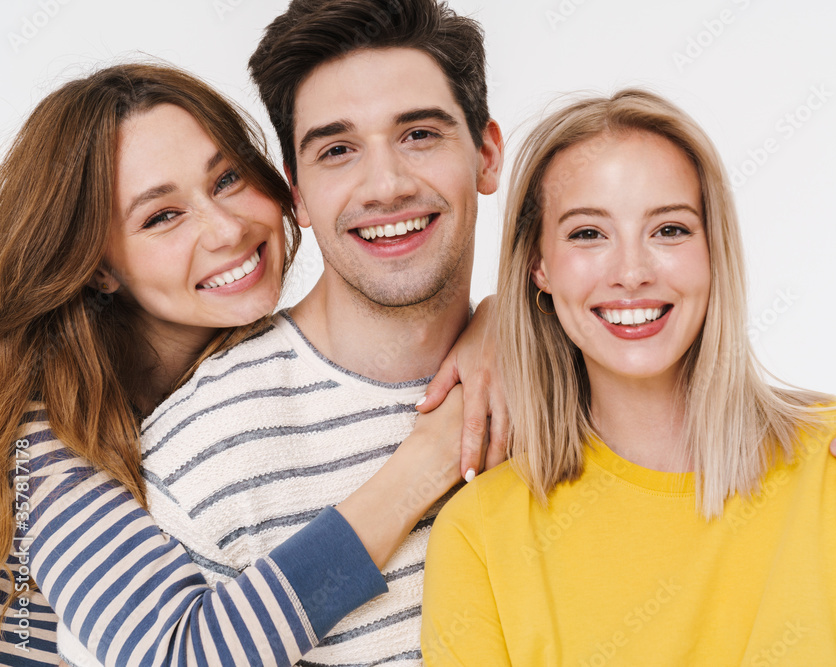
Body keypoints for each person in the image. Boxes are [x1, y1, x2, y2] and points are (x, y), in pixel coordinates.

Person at [421, 89, 836, 664]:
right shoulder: (481, 533)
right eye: (588, 233)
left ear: (714, 250)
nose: (631, 273)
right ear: (539, 265)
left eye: (670, 230)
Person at [0, 62, 481, 667]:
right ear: (98, 266)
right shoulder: (40, 433)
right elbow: (182, 655)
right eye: (162, 216)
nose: (227, 229)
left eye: (227, 179)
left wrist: (497, 327)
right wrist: (428, 460)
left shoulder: (235, 356)